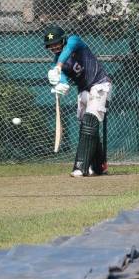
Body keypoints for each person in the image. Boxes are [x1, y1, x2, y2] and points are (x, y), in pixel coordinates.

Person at [44, 25, 111, 177]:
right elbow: (64, 81)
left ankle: (80, 168)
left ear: (63, 40)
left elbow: (67, 52)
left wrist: (59, 67)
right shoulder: (56, 63)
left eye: (56, 43)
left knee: (90, 121)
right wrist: (61, 86)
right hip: (84, 90)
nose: (54, 47)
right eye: (50, 45)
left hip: (99, 84)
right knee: (88, 128)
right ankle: (100, 166)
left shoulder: (74, 41)